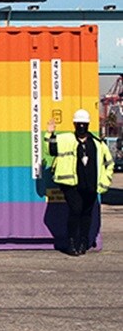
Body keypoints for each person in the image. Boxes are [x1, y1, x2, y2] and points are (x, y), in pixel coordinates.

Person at [45, 109, 113, 256]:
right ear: (74, 124)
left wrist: (103, 183)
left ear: (87, 125)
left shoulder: (98, 144)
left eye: (84, 124)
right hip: (70, 184)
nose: (81, 127)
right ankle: (71, 243)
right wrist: (49, 134)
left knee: (86, 213)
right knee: (76, 211)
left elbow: (109, 164)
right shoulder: (66, 139)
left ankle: (83, 243)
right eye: (79, 124)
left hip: (91, 186)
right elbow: (51, 150)